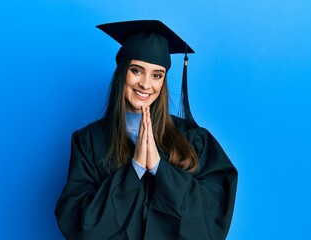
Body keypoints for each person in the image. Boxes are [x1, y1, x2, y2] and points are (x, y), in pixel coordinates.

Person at [55, 20, 238, 240]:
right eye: (136, 70)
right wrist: (135, 169)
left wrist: (159, 168)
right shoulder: (89, 142)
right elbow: (79, 223)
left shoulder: (192, 138)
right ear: (122, 73)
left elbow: (212, 213)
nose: (146, 84)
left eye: (157, 75)